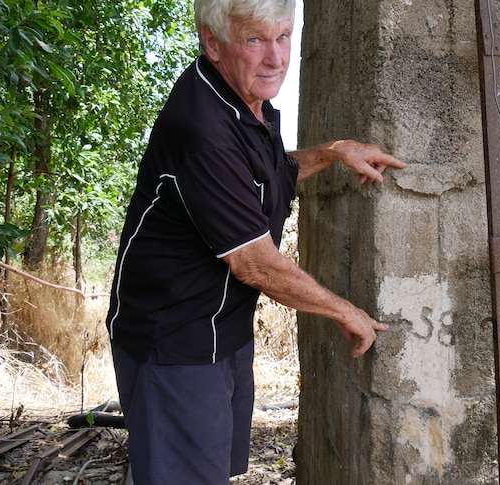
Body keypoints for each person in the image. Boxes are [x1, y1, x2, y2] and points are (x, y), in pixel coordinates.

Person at [104, 0, 406, 482]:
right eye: (254, 39)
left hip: (222, 327)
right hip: (174, 340)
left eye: (284, 36)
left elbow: (268, 176)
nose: (276, 58)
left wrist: (334, 152)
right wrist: (345, 312)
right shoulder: (202, 126)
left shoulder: (245, 105)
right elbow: (256, 264)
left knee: (212, 472)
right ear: (213, 43)